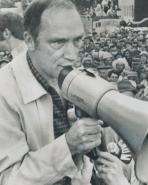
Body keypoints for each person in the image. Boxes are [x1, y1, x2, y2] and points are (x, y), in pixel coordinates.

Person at [0, 0, 103, 184]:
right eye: (58, 42)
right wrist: (68, 146)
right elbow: (8, 179)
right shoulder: (4, 91)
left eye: (78, 40)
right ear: (29, 40)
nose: (72, 55)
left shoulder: (78, 76)